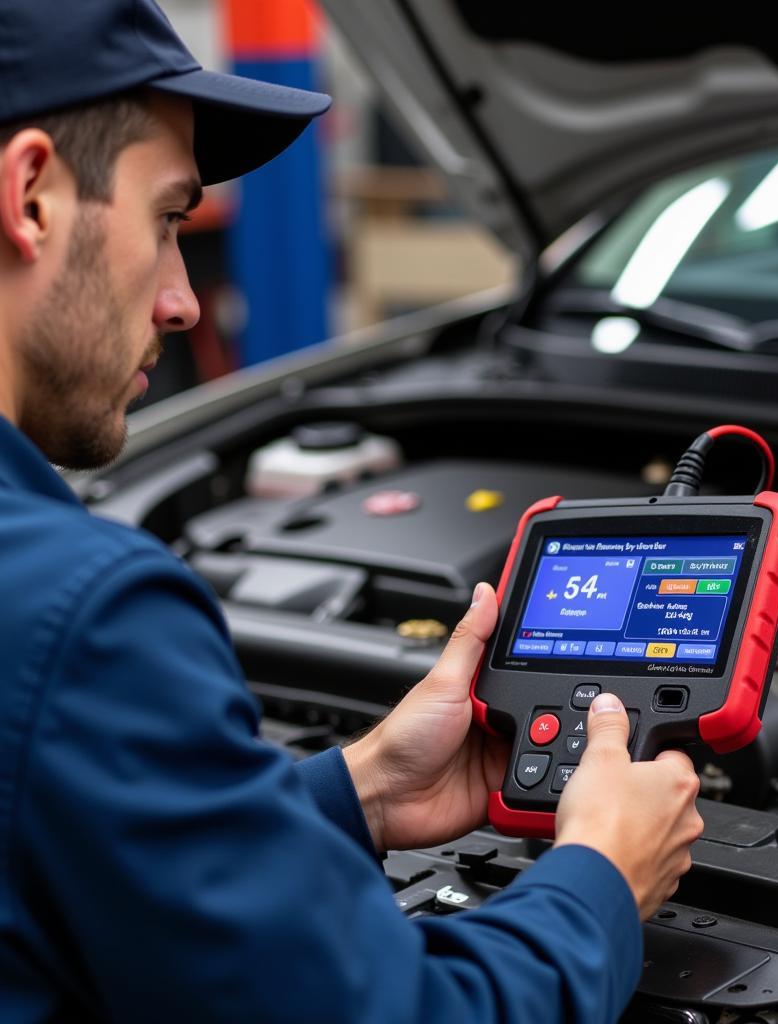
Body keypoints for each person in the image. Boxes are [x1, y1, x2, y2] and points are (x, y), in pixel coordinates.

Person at [0, 3, 704, 1021]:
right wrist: (601, 876)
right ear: (30, 196)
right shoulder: (84, 617)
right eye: (166, 220)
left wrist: (361, 788)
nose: (182, 301)